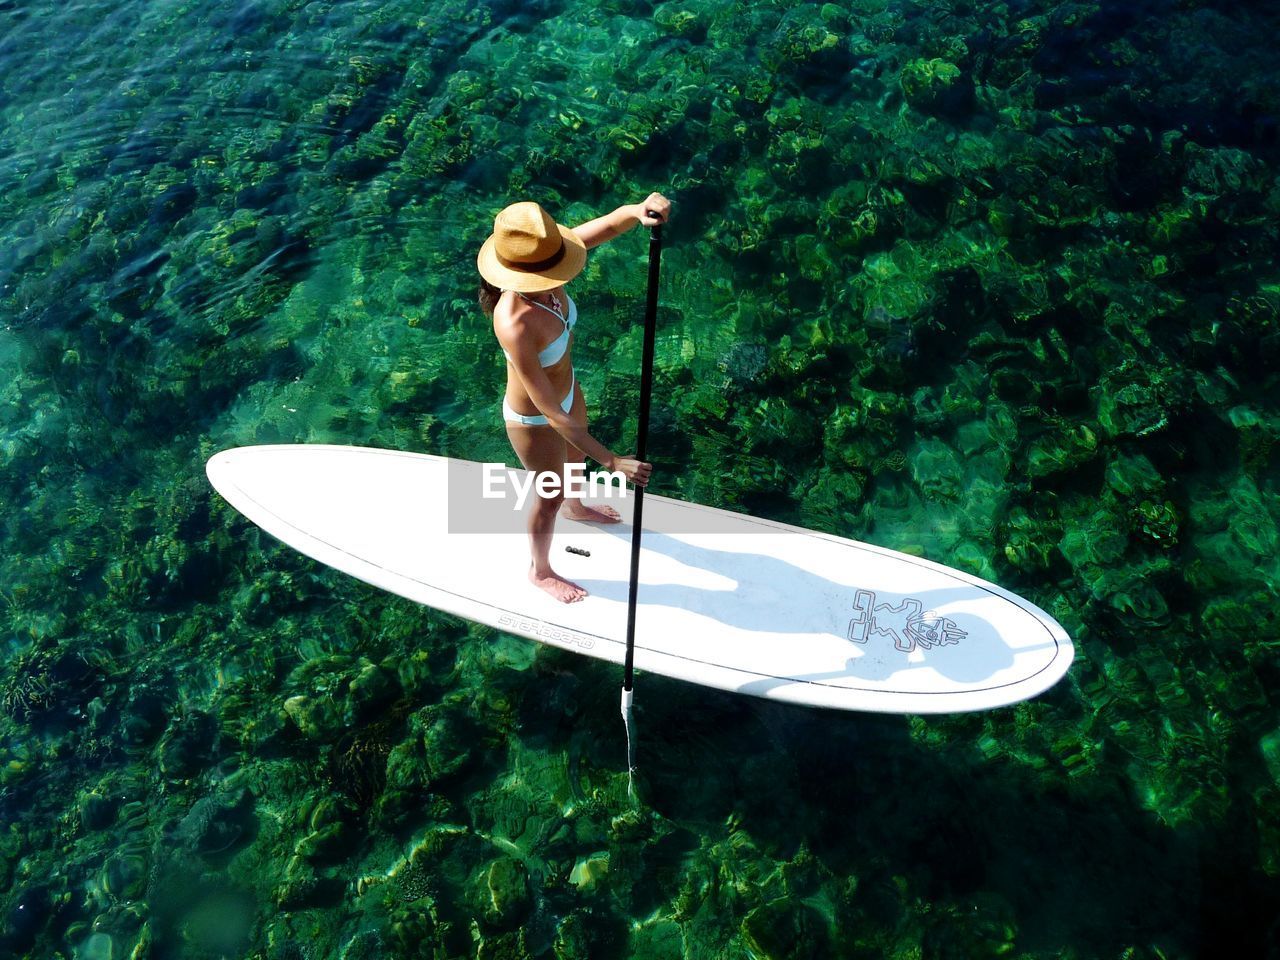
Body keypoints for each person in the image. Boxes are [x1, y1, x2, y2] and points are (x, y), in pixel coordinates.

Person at [477, 194, 671, 603]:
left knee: (574, 465)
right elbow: (548, 411)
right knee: (549, 496)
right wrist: (613, 461)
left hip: (569, 392)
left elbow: (608, 226)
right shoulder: (513, 323)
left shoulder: (549, 271)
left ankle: (577, 508)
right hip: (535, 419)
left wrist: (637, 212)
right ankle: (539, 570)